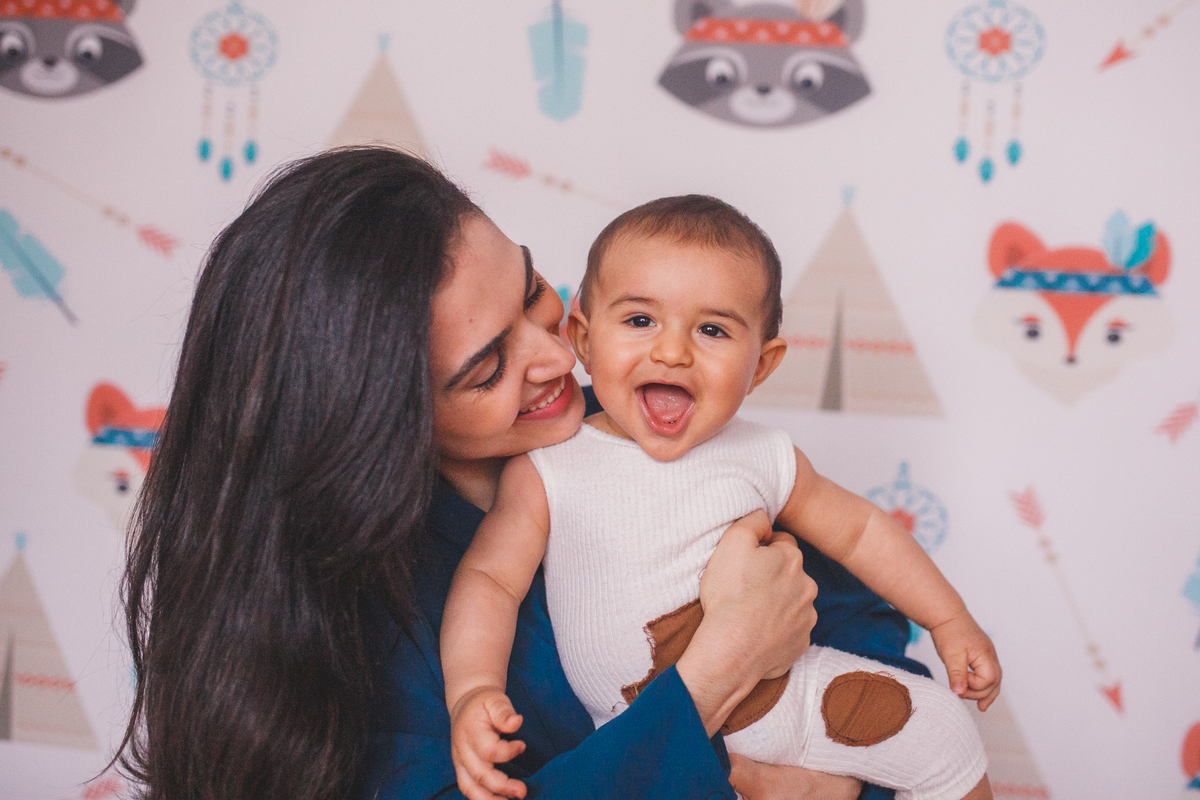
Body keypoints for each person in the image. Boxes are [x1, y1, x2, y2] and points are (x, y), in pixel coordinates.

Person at [118, 147, 927, 800]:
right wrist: (715, 675)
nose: (555, 356)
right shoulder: (353, 626)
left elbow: (876, 640)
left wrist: (848, 779)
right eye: (485, 369)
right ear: (378, 420)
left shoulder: (651, 426)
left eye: (534, 291)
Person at [441, 196, 1001, 800]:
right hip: (641, 742)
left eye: (712, 330)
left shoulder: (761, 455)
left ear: (761, 365)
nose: (672, 352)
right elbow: (490, 581)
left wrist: (947, 618)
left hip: (789, 700)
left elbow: (861, 533)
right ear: (585, 337)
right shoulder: (548, 470)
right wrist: (472, 691)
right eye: (640, 321)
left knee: (945, 732)